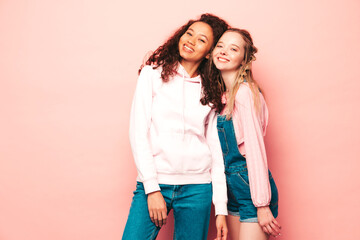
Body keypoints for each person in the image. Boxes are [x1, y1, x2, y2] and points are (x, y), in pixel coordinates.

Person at [122, 14, 229, 240]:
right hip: (155, 181)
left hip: (197, 188)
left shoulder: (211, 88)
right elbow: (138, 132)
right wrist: (151, 189)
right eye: (189, 33)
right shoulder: (152, 75)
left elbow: (215, 147)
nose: (190, 41)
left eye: (201, 40)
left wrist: (220, 207)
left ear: (209, 52)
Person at [202, 28, 281, 239]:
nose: (224, 51)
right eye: (220, 46)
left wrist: (262, 204)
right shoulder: (222, 97)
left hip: (251, 188)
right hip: (230, 188)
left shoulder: (245, 94)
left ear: (244, 60)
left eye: (233, 48)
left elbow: (255, 151)